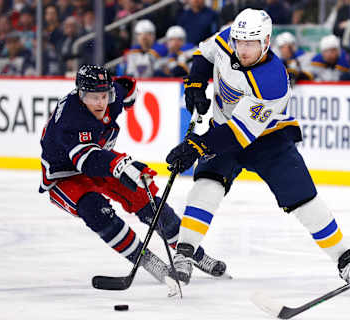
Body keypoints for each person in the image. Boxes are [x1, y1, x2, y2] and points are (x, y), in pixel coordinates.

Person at [165, 8, 350, 295]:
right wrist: (195, 83)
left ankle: (346, 261)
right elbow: (205, 54)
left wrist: (196, 145)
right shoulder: (230, 38)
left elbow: (239, 133)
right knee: (208, 183)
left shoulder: (273, 80)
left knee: (303, 197)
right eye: (240, 42)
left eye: (250, 44)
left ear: (265, 42)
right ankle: (185, 253)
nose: (243, 49)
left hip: (267, 138)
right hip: (224, 128)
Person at [39, 65, 227, 294]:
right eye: (92, 97)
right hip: (64, 175)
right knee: (94, 209)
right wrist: (119, 166)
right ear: (79, 94)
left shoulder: (113, 96)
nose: (100, 103)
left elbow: (128, 86)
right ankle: (149, 262)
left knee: (147, 201)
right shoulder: (70, 120)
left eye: (104, 96)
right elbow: (88, 161)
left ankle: (195, 255)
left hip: (99, 157)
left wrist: (128, 97)